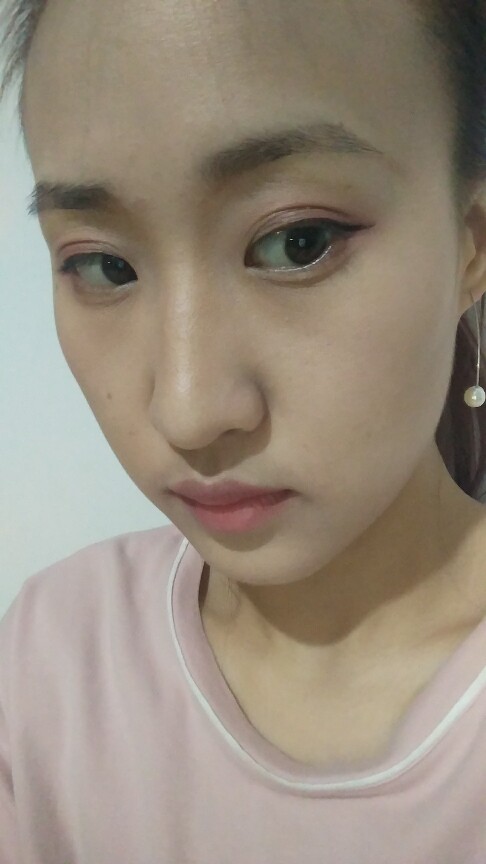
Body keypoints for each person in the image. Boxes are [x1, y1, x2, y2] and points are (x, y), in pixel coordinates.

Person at [1, 0, 486, 860]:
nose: (187, 410)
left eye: (298, 243)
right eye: (104, 265)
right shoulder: (52, 655)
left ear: (473, 246)